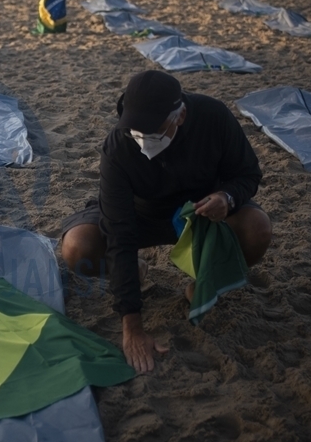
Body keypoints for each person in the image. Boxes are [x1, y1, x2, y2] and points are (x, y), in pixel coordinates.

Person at [59, 70, 272, 374]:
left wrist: (227, 197)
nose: (143, 140)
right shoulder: (119, 144)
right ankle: (137, 270)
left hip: (200, 213)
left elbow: (249, 173)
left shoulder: (213, 117)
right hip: (139, 214)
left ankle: (203, 282)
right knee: (77, 246)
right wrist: (132, 326)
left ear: (180, 116)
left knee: (257, 228)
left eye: (153, 131)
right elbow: (118, 230)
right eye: (136, 130)